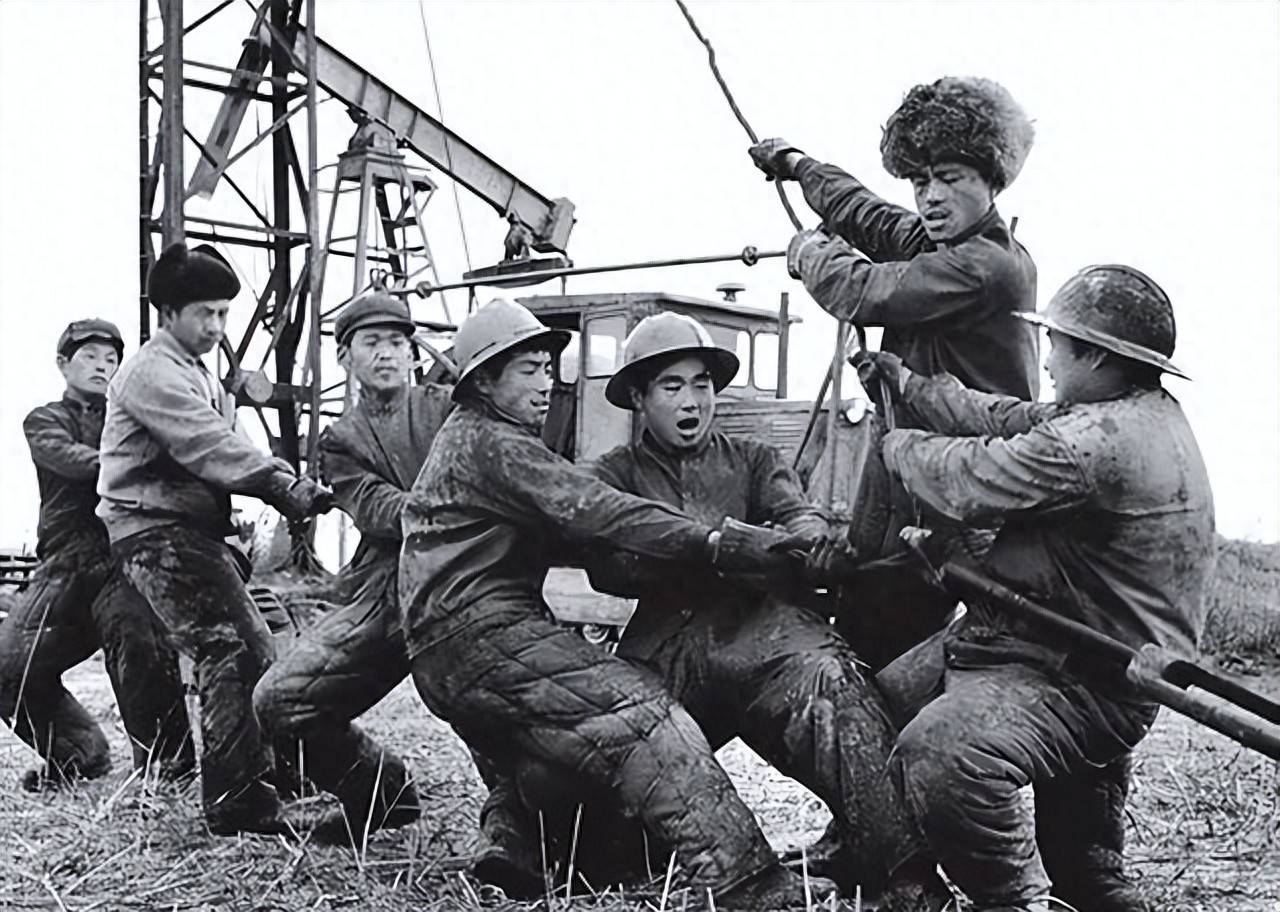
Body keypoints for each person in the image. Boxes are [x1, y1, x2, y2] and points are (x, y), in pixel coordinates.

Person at [399, 298, 834, 910]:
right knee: (644, 715)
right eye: (527, 369)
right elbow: (599, 510)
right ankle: (746, 883)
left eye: (548, 368)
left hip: (448, 647)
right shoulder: (493, 442)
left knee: (540, 759)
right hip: (482, 633)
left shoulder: (474, 443)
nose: (547, 384)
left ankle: (515, 844)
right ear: (484, 383)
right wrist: (714, 542)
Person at [854, 265, 1215, 912]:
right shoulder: (1133, 413)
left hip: (1078, 673)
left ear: (1096, 355)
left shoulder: (1096, 444)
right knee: (871, 712)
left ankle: (1015, 897)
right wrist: (909, 386)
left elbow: (966, 478)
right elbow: (1008, 415)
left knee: (941, 752)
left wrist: (896, 445)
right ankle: (1072, 864)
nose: (1046, 360)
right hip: (1041, 641)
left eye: (1056, 344)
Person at [99, 242, 333, 836]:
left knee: (249, 646)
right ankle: (238, 802)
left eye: (225, 313)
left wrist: (283, 485)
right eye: (205, 312)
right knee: (232, 646)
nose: (217, 326)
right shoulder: (152, 371)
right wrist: (285, 486)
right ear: (167, 313)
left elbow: (228, 445)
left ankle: (264, 774)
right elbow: (210, 446)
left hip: (185, 531)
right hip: (154, 532)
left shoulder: (198, 373)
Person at [253, 291, 451, 841]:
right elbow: (377, 509)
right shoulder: (340, 440)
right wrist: (453, 511)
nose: (386, 353)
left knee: (493, 709)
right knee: (279, 701)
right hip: (385, 592)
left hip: (467, 579)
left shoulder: (450, 407)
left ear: (413, 352)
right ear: (345, 356)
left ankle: (523, 833)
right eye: (371, 343)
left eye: (396, 342)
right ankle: (379, 792)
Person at [748, 75, 1038, 399]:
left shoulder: (988, 265)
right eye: (920, 182)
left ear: (992, 181)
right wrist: (797, 164)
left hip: (970, 433)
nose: (932, 197)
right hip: (926, 427)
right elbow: (868, 215)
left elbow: (864, 291)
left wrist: (809, 252)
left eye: (949, 179)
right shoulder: (939, 244)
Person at [0, 320, 191, 791]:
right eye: (89, 357)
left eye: (111, 360)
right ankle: (79, 753)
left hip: (125, 555)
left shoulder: (135, 418)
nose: (102, 366)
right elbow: (69, 460)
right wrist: (136, 463)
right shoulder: (45, 420)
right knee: (8, 666)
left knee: (141, 644)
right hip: (65, 564)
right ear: (63, 364)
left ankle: (168, 772)